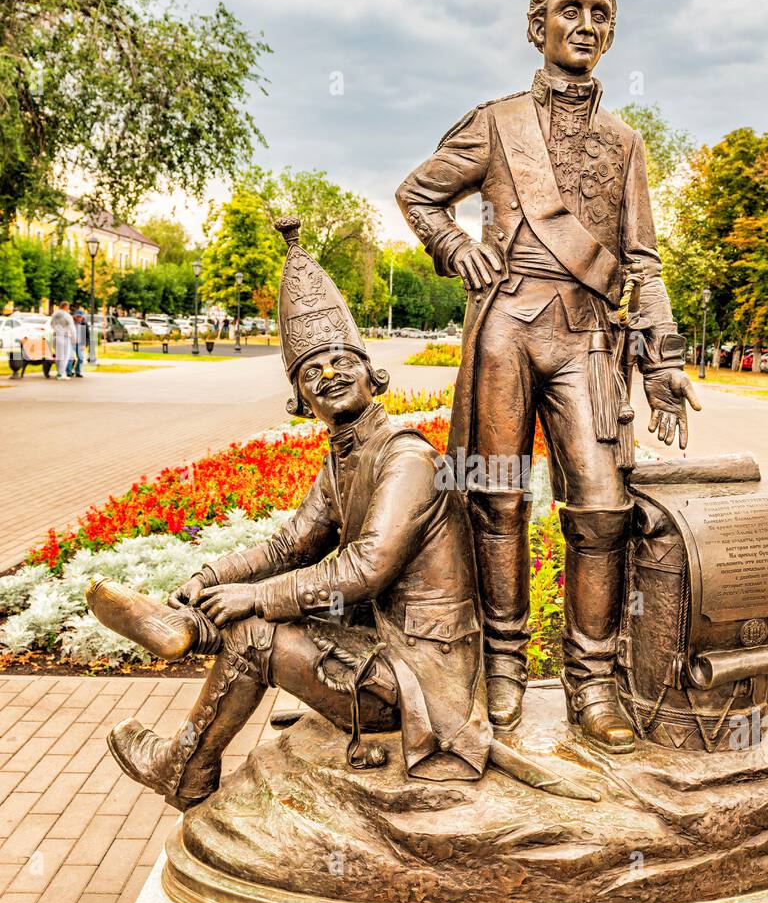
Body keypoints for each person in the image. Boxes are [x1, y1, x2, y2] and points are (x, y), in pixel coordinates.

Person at [396, 0, 699, 751]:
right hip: (505, 332)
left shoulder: (626, 142)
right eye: (573, 11)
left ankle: (592, 684)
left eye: (602, 16)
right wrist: (453, 247)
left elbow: (643, 261)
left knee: (601, 508)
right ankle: (500, 670)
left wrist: (663, 361)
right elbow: (418, 194)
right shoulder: (496, 123)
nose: (587, 27)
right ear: (538, 27)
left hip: (588, 339)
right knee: (496, 498)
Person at [91, 218, 492, 811]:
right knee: (251, 613)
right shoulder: (341, 461)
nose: (327, 374)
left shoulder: (406, 458)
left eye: (339, 361)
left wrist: (254, 599)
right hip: (381, 648)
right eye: (310, 371)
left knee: (253, 633)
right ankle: (191, 627)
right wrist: (212, 577)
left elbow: (364, 569)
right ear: (300, 399)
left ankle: (185, 765)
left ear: (369, 370)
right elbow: (290, 546)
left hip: (424, 682)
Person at [50, 301, 76, 379]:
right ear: (65, 307)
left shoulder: (54, 315)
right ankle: (61, 374)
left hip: (55, 336)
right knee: (65, 356)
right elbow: (72, 327)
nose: (68, 308)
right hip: (64, 337)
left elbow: (51, 325)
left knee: (58, 356)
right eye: (68, 307)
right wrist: (74, 338)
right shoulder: (67, 315)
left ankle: (59, 372)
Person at [67, 307, 89, 378]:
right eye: (78, 317)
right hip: (71, 342)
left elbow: (87, 335)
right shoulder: (71, 323)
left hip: (80, 343)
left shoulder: (84, 323)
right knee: (70, 357)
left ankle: (78, 372)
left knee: (81, 358)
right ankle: (69, 372)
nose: (79, 318)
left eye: (80, 317)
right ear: (74, 316)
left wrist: (85, 344)